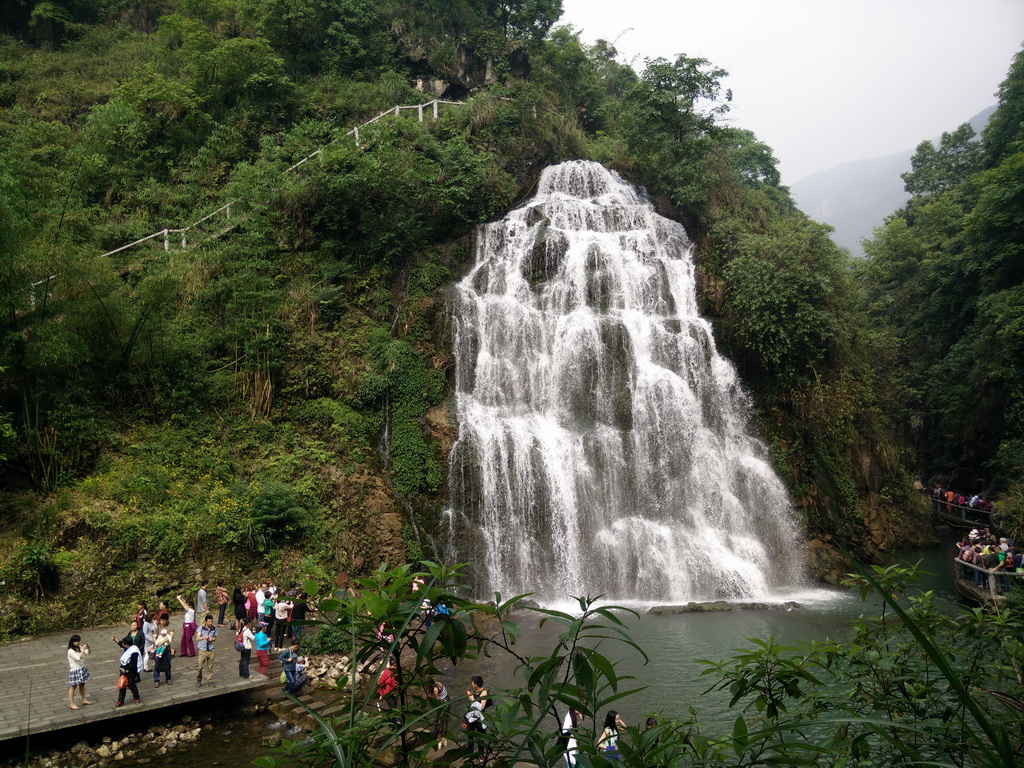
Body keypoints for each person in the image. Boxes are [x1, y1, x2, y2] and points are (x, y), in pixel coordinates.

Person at [66, 635, 93, 710]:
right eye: (77, 641)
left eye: (79, 641)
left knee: (82, 684)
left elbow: (88, 652)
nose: (78, 642)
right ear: (73, 642)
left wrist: (88, 647)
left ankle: (84, 699)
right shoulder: (70, 651)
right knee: (73, 687)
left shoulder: (79, 647)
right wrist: (83, 649)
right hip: (75, 670)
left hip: (81, 668)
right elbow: (78, 658)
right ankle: (72, 703)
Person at [465, 676, 489, 753]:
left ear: (476, 684)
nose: (471, 683)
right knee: (470, 736)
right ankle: (470, 753)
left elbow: (481, 707)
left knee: (481, 737)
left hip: (479, 718)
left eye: (472, 682)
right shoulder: (475, 691)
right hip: (472, 716)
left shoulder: (484, 692)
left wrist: (472, 699)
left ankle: (481, 755)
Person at [115, 642, 142, 707]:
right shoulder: (126, 649)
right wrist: (122, 668)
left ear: (126, 644)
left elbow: (133, 663)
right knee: (122, 685)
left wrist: (126, 669)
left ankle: (136, 697)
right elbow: (123, 660)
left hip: (131, 671)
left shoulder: (134, 651)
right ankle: (120, 701)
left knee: (131, 685)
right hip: (123, 670)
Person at [427, 677, 451, 749]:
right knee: (444, 721)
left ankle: (439, 739)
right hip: (448, 702)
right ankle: (444, 739)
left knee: (440, 723)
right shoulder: (438, 683)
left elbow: (437, 701)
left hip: (443, 706)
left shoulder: (435, 689)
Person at [196, 614, 217, 687]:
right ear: (206, 621)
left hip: (211, 649)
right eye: (209, 621)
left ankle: (209, 681)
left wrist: (212, 639)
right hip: (202, 649)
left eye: (211, 621)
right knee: (200, 667)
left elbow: (215, 637)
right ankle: (199, 679)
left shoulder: (214, 628)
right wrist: (205, 637)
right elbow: (197, 638)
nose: (210, 623)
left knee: (210, 667)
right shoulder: (201, 628)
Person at [152, 616, 174, 687]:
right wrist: (157, 643)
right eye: (161, 620)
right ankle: (156, 680)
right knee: (157, 664)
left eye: (164, 620)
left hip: (167, 649)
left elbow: (171, 637)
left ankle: (168, 678)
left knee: (168, 664)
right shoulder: (156, 628)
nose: (162, 622)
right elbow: (154, 637)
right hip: (158, 649)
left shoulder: (170, 628)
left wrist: (162, 642)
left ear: (167, 621)